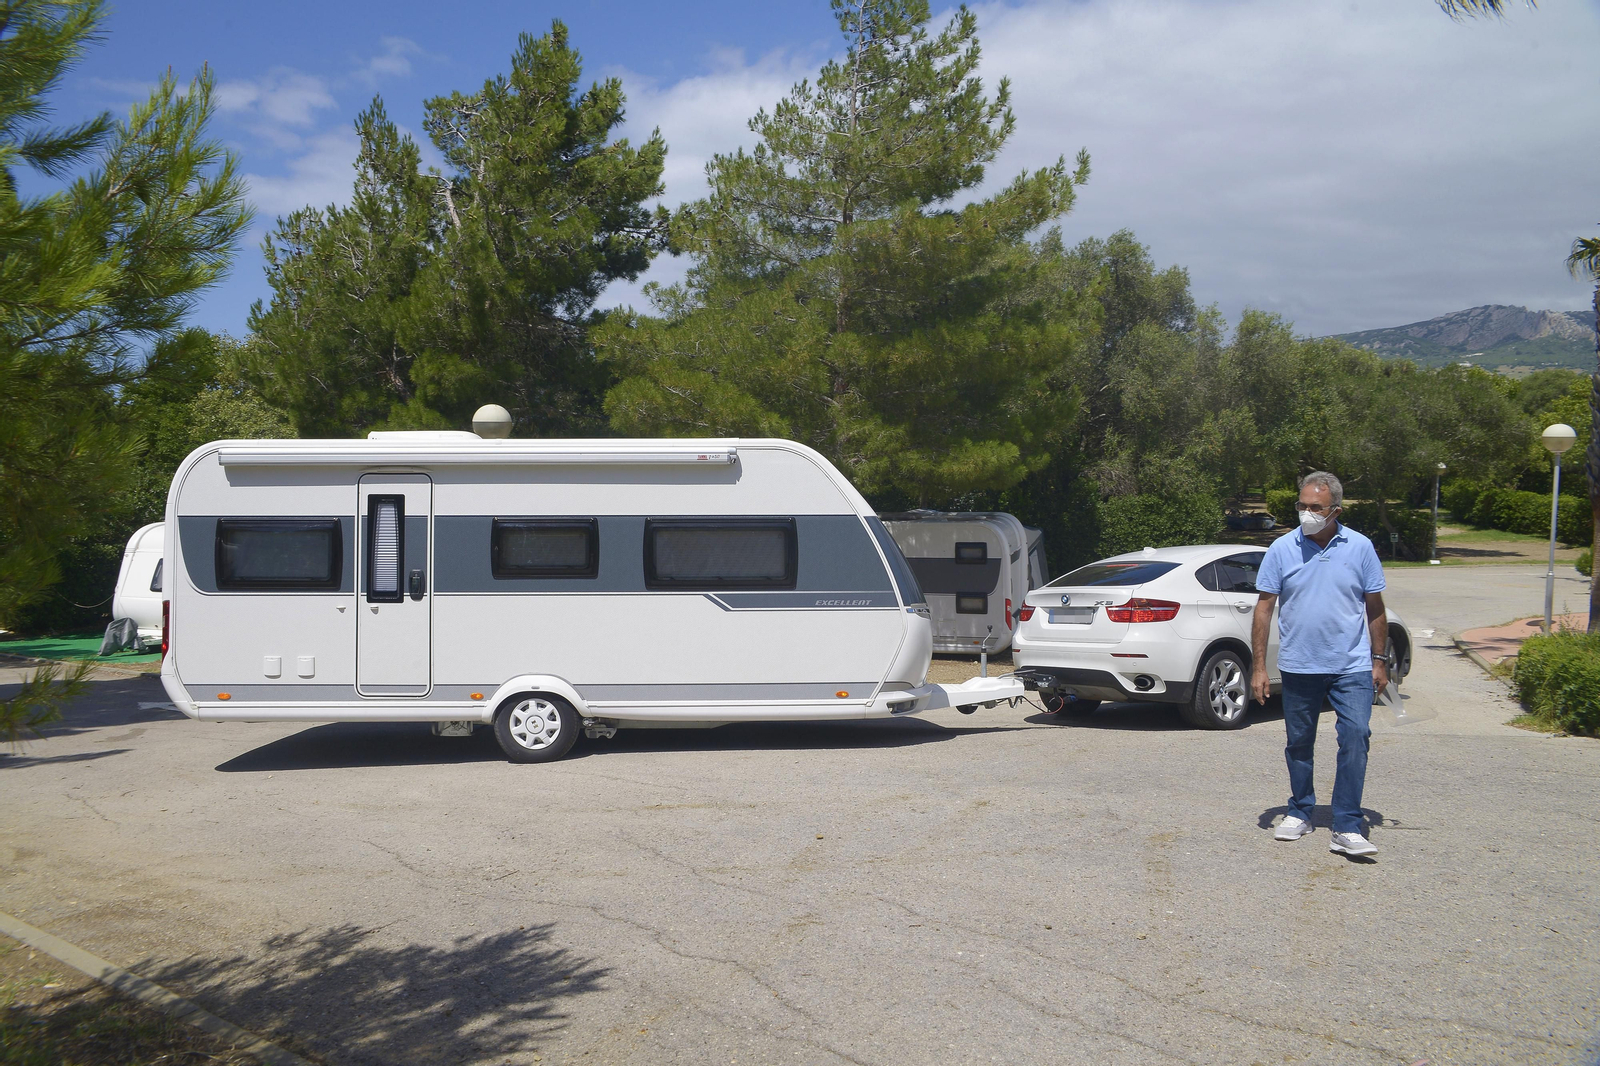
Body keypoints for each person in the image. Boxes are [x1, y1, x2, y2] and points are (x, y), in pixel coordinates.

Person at [1249, 471, 1388, 857]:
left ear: (1335, 511)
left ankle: (1346, 824)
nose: (1306, 513)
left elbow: (1374, 607)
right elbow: (1264, 607)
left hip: (1352, 665)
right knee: (1299, 742)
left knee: (1356, 735)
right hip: (1299, 664)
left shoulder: (1359, 547)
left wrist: (1380, 660)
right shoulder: (1281, 549)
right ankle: (1300, 811)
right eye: (1302, 506)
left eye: (1315, 508)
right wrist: (1259, 666)